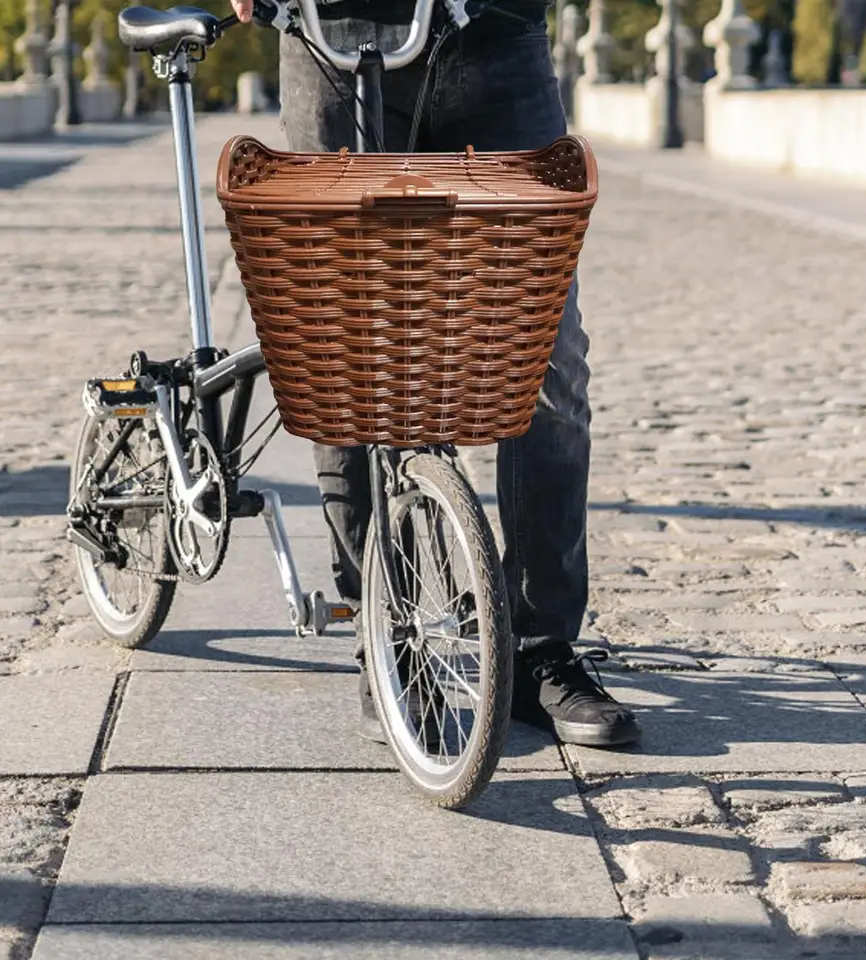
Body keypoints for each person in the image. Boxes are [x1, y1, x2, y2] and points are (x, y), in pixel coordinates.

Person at [230, 0, 640, 749]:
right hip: (330, 38)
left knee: (548, 347)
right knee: (342, 338)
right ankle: (388, 628)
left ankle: (537, 645)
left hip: (496, 38)